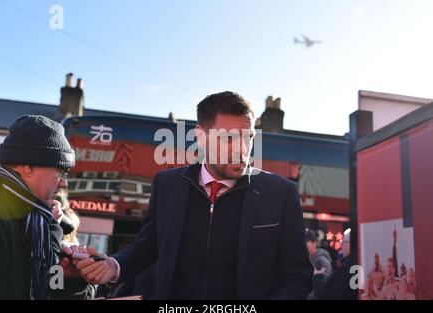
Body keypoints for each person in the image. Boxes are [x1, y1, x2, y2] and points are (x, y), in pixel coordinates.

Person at [76, 91, 313, 299]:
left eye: (248, 137)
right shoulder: (167, 184)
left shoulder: (281, 193)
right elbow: (147, 247)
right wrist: (113, 266)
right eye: (229, 138)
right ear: (201, 137)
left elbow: (298, 277)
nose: (242, 149)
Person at [0, 115, 83, 299]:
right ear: (28, 167)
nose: (64, 184)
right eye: (61, 171)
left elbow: (49, 290)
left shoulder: (40, 220)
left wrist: (71, 279)